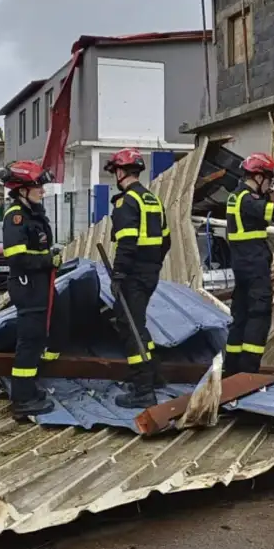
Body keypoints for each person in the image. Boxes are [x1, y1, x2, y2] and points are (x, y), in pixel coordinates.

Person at [105, 148, 171, 408]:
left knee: (129, 326)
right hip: (150, 272)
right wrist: (152, 264)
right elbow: (166, 240)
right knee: (138, 324)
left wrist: (119, 274)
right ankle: (154, 376)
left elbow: (127, 243)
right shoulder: (152, 200)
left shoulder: (126, 202)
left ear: (120, 172)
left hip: (132, 274)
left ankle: (143, 390)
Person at [0, 160, 61, 418]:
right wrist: (48, 261)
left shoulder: (33, 213)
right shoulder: (16, 217)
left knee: (37, 340)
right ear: (22, 189)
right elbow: (16, 258)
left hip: (39, 284)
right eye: (38, 187)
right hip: (28, 286)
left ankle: (30, 389)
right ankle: (22, 400)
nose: (43, 191)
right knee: (29, 341)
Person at [223, 152, 274, 376]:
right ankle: (248, 372)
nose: (270, 184)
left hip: (241, 265)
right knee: (259, 315)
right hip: (255, 265)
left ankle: (231, 370)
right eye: (269, 179)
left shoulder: (236, 196)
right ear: (259, 177)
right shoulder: (248, 200)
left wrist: (268, 196)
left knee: (240, 316)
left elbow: (256, 218)